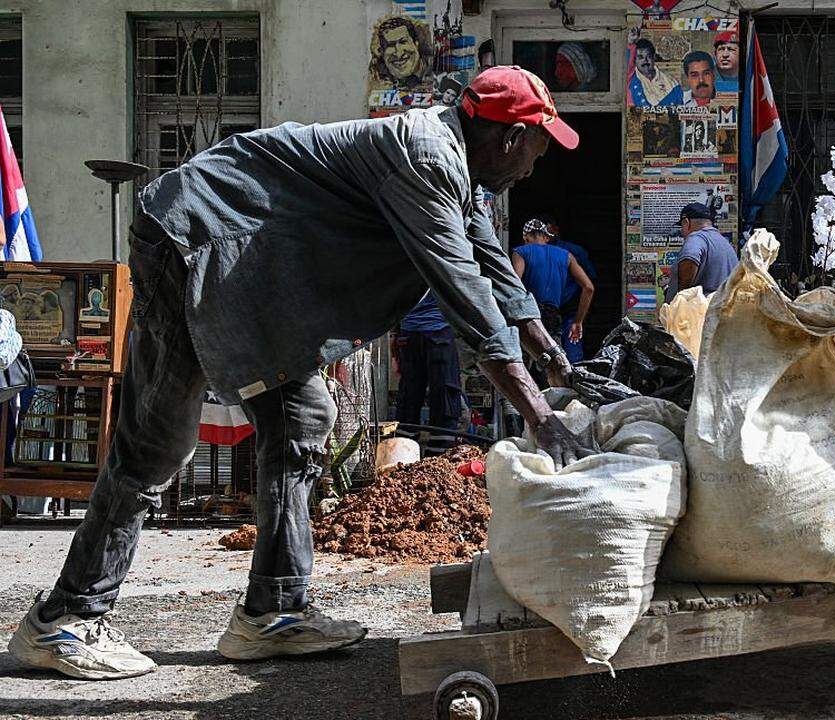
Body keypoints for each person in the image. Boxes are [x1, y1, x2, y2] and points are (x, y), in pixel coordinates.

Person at [6, 66, 593, 680]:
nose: (533, 167)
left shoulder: (461, 172)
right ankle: (64, 619)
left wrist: (547, 347)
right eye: (538, 148)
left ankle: (273, 611)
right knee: (155, 443)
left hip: (255, 263)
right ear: (508, 137)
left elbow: (491, 262)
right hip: (196, 237)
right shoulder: (426, 158)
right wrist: (541, 416)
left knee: (302, 416)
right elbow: (463, 290)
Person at [511, 219, 594, 372]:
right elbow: (588, 287)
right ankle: (559, 395)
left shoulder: (520, 252)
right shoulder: (566, 256)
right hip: (552, 315)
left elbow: (514, 285)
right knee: (555, 367)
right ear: (546, 237)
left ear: (525, 237)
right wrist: (578, 321)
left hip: (528, 315)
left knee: (521, 367)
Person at [394, 292, 465, 454]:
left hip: (409, 333)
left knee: (409, 396)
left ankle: (405, 455)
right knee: (444, 394)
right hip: (437, 330)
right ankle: (438, 457)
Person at [540, 214, 597, 363]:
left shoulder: (573, 252)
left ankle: (574, 380)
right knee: (548, 355)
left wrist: (580, 316)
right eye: (543, 232)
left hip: (570, 308)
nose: (547, 235)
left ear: (557, 230)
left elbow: (590, 281)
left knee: (572, 352)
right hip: (545, 310)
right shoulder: (533, 253)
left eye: (550, 231)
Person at [665, 202, 738, 302]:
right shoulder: (724, 242)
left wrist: (681, 299)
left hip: (699, 314)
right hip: (720, 310)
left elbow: (690, 257)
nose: (682, 232)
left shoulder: (695, 238)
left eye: (682, 226)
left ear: (687, 223)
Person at [370, 16, 432, 88]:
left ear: (416, 44)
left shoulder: (437, 70)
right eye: (390, 45)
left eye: (403, 42)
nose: (399, 54)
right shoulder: (376, 76)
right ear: (382, 52)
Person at [628, 38, 683, 107]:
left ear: (654, 57)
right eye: (640, 57)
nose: (645, 61)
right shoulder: (629, 81)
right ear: (634, 60)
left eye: (648, 56)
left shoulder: (672, 83)